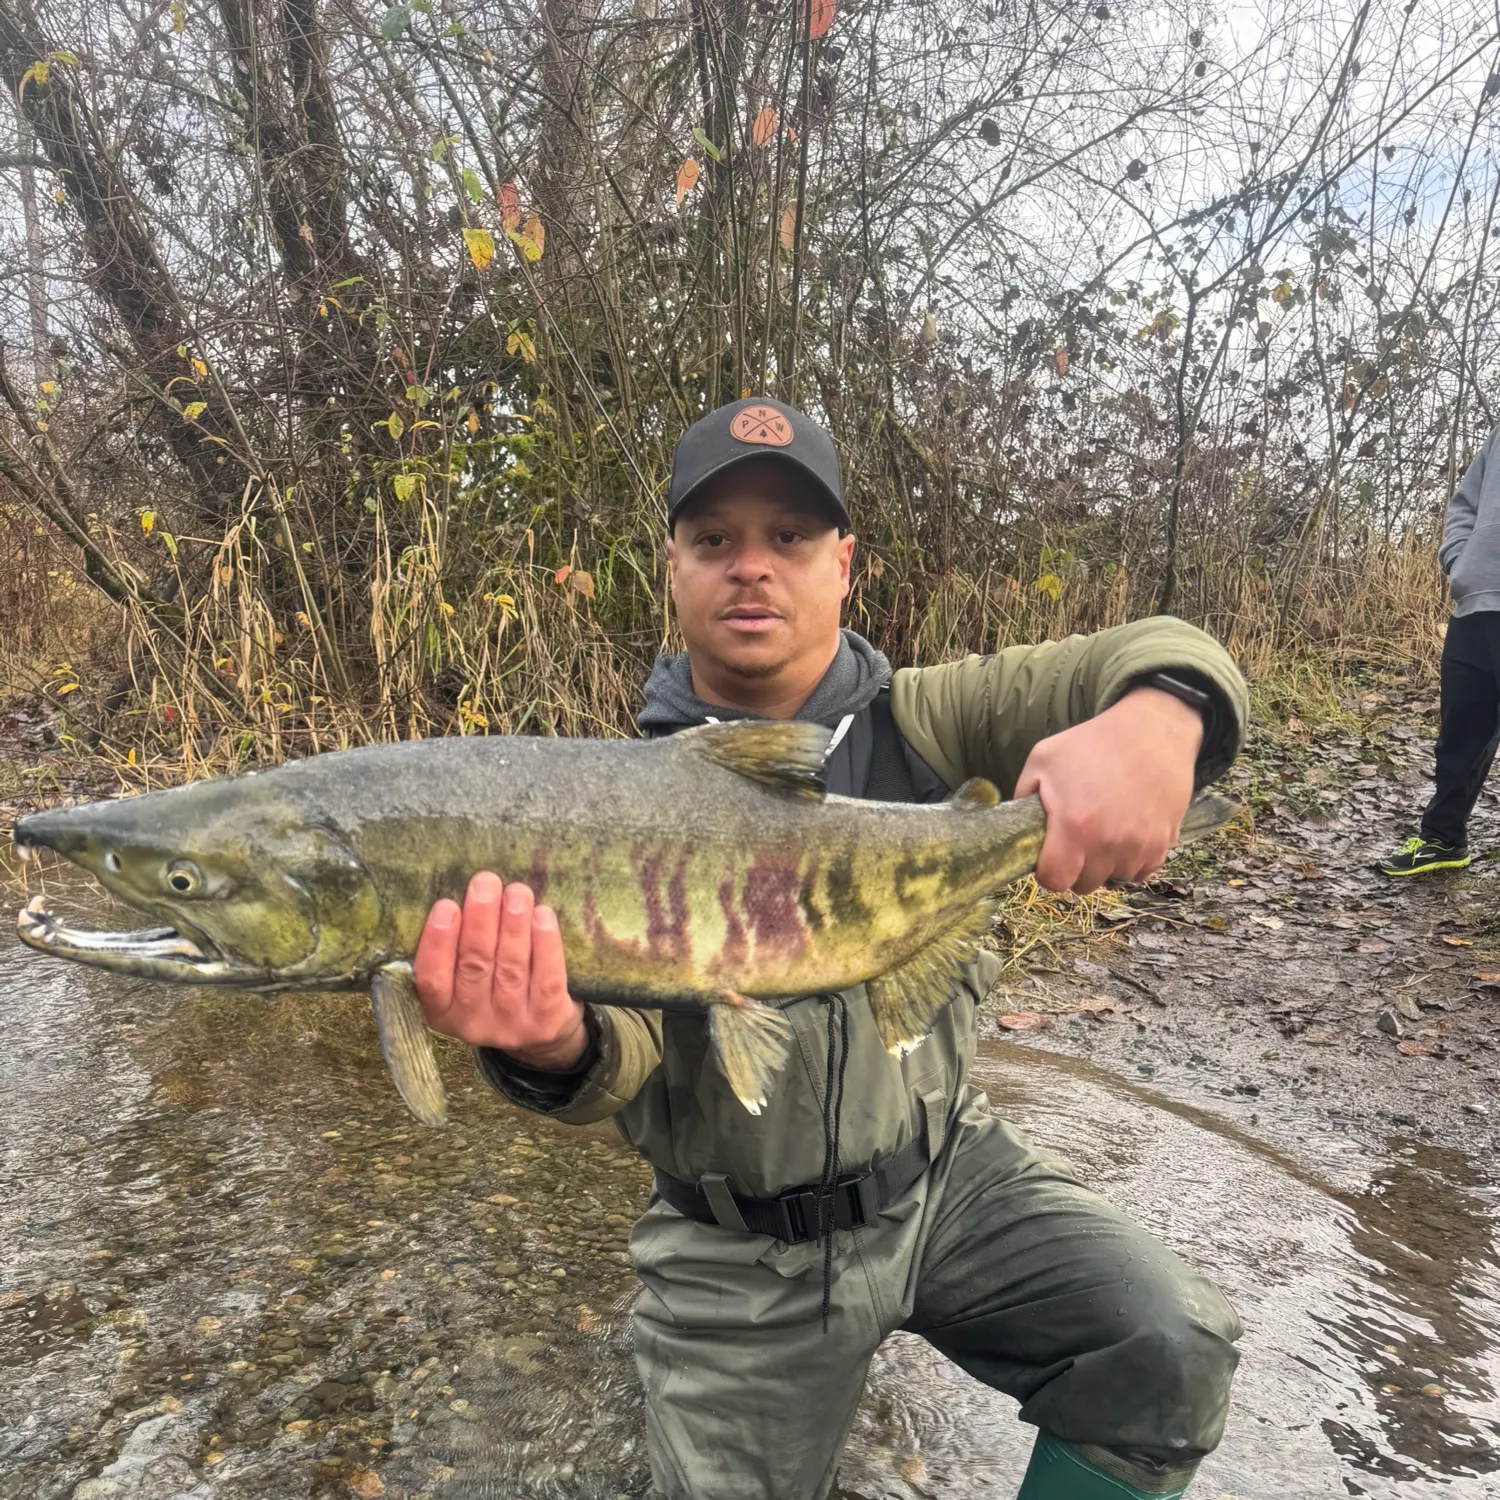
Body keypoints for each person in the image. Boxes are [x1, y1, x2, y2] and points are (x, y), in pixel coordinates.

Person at [412, 397, 1249, 1500]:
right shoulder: (606, 811)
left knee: (1169, 1346)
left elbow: (1165, 651)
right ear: (673, 567)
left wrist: (1165, 717)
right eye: (714, 541)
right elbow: (617, 1059)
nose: (750, 568)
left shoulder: (929, 721)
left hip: (949, 1181)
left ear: (843, 563)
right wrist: (548, 1047)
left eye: (788, 539)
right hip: (737, 1254)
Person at [1381, 423, 1500, 877]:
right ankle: (1443, 840)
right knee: (1460, 736)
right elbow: (1466, 504)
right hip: (1475, 602)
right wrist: (1459, 560)